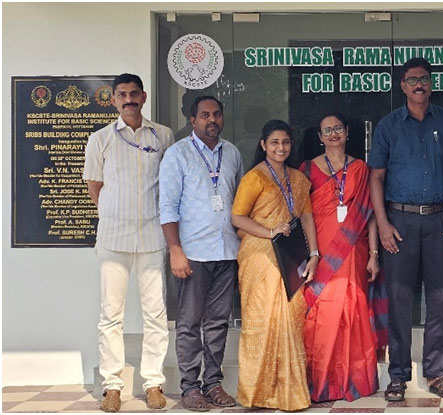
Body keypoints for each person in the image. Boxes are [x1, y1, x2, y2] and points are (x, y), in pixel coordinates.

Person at [368, 57, 443, 402]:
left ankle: (437, 373)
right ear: (403, 85)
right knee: (399, 299)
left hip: (442, 220)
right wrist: (383, 223)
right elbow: (377, 177)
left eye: (424, 79)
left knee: (441, 298)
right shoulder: (388, 126)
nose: (419, 85)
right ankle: (397, 375)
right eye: (412, 80)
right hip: (399, 222)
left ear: (431, 84)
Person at [83, 73, 175, 412]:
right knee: (111, 314)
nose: (128, 99)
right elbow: (95, 184)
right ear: (113, 99)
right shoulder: (101, 138)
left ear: (144, 96)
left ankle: (153, 383)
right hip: (114, 236)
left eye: (134, 93)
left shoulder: (162, 135)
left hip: (152, 234)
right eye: (122, 95)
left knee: (155, 313)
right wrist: (112, 212)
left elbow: (169, 182)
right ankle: (112, 385)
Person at [159, 95, 243, 412]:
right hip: (192, 252)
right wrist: (175, 251)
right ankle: (190, 387)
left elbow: (238, 204)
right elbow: (167, 208)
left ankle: (213, 383)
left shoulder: (232, 153)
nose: (212, 120)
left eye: (217, 114)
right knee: (190, 324)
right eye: (205, 115)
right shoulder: (177, 155)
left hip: (226, 251)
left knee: (218, 322)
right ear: (192, 120)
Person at [230, 120, 317, 410]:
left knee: (291, 320)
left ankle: (290, 393)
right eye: (275, 142)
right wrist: (270, 232)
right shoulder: (254, 178)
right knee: (261, 322)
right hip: (260, 256)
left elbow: (306, 217)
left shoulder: (299, 179)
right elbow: (237, 218)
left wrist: (314, 254)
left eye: (286, 142)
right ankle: (257, 393)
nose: (281, 148)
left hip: (290, 257)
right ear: (264, 145)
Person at [299, 113, 383, 402]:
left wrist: (374, 254)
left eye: (338, 128)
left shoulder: (361, 169)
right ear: (320, 137)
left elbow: (370, 216)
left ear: (347, 132)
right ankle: (320, 381)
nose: (333, 134)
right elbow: (301, 214)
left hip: (354, 252)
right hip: (320, 253)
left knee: (352, 311)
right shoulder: (307, 170)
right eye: (327, 130)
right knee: (319, 315)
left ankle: (353, 379)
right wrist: (308, 253)